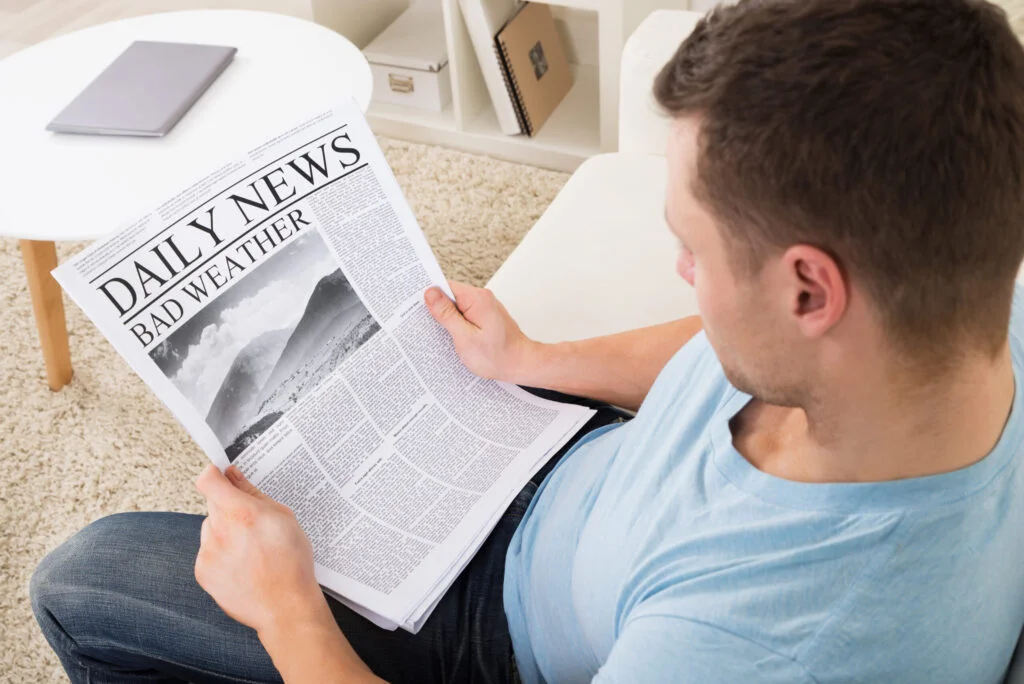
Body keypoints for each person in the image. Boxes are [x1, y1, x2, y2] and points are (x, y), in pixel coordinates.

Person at [29, 0, 1024, 681]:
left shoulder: (758, 644)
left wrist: (288, 611)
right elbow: (719, 358)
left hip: (495, 635)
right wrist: (533, 364)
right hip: (583, 474)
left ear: (809, 289)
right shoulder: (958, 316)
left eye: (693, 248)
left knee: (86, 576)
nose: (682, 272)